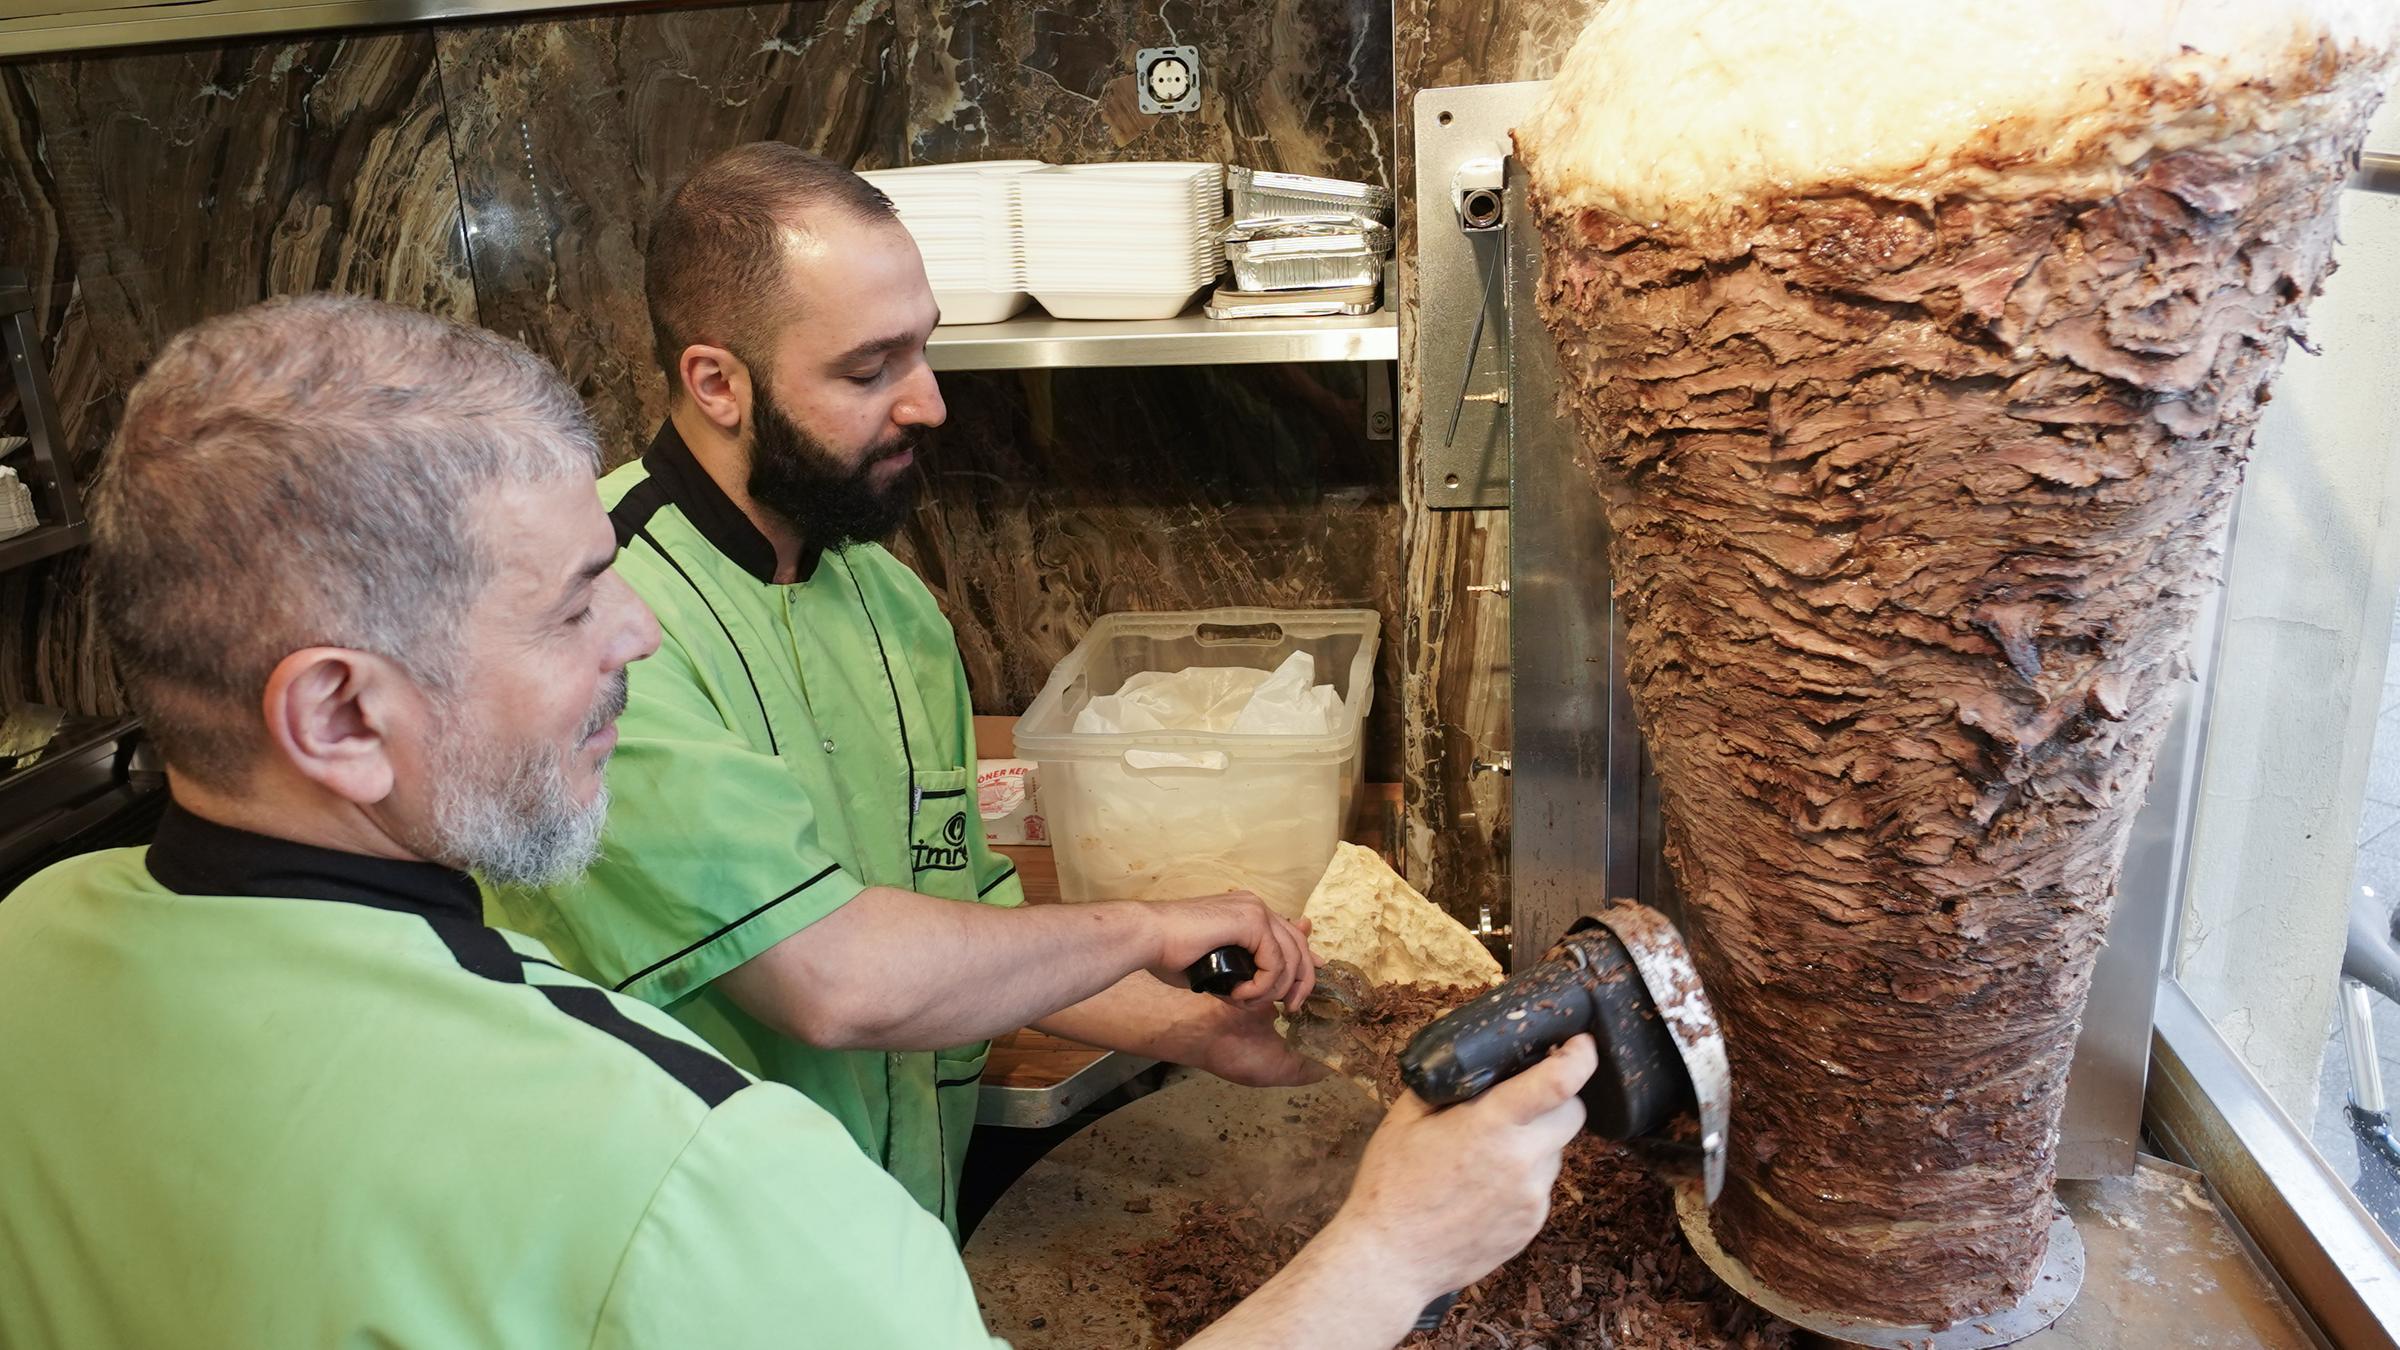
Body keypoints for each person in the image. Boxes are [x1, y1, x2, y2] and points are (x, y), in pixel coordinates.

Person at [0, 295, 1599, 1350]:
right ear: (341, 715)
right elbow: (831, 983)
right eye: (569, 612)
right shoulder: (683, 1172)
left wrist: (1159, 1013)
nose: (636, 639)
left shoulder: (30, 949)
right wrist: (1391, 1248)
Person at [490, 142, 1330, 1233]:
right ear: (716, 382)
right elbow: (833, 980)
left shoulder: (893, 608)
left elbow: (963, 920)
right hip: (690, 1252)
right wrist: (1145, 926)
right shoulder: (593, 622)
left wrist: (1189, 1028)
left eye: (924, 351)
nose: (929, 404)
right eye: (867, 370)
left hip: (888, 1235)